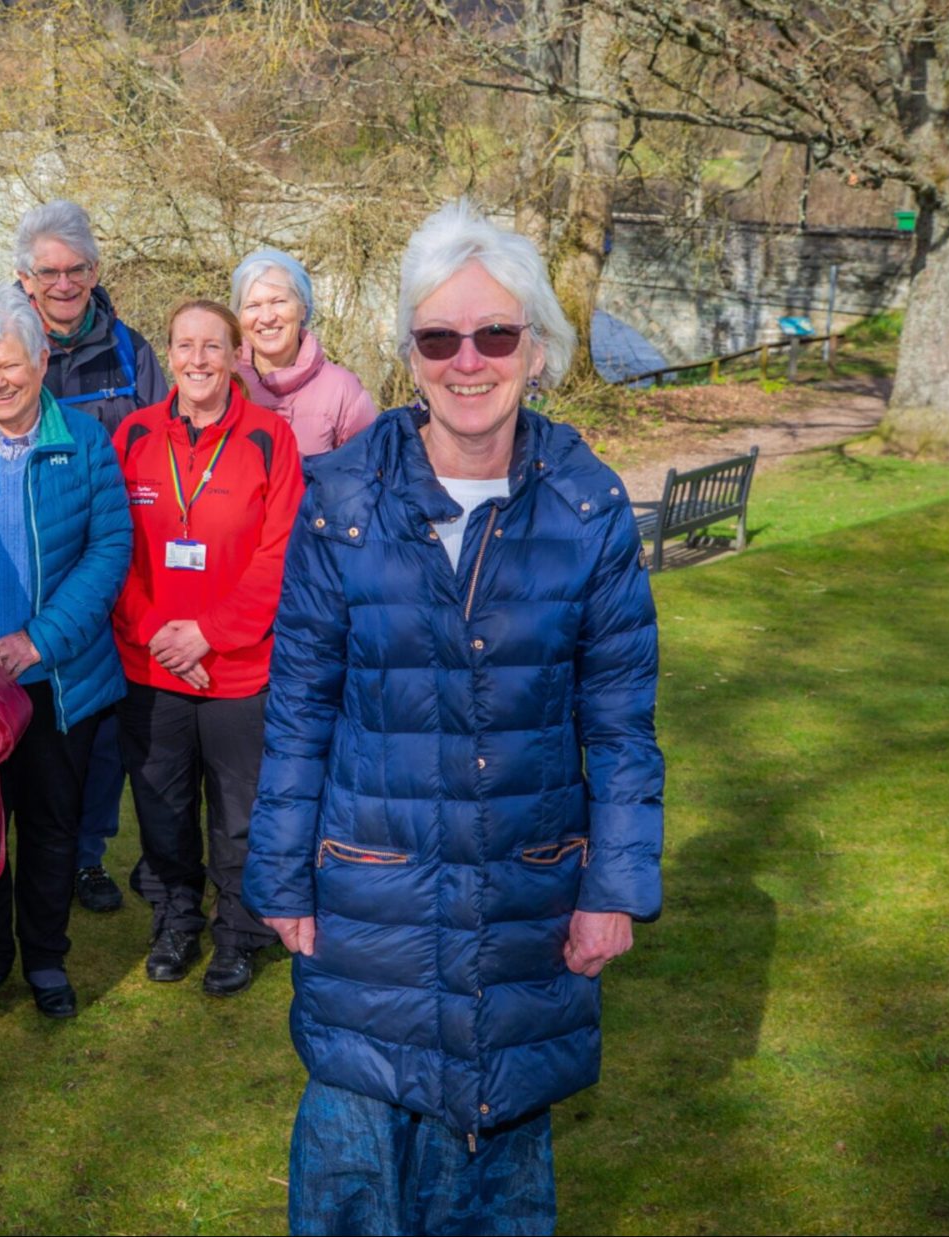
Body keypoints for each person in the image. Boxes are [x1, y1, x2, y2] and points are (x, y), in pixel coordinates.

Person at [244, 198, 664, 1236]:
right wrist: (280, 873)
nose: (465, 360)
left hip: (521, 903)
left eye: (494, 334)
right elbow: (298, 710)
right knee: (351, 1165)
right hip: (367, 897)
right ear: (408, 352)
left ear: (538, 350)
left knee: (494, 1178)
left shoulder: (587, 509)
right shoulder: (339, 501)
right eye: (438, 336)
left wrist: (613, 884)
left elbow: (618, 728)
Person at [0, 298, 132, 1020]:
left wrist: (36, 640)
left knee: (50, 825)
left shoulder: (87, 443)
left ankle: (43, 955)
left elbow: (109, 551)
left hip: (57, 678)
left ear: (42, 361)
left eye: (10, 363)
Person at [0, 199, 172, 917]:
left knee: (100, 730)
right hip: (31, 578)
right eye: (48, 271)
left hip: (118, 568)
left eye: (76, 269)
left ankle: (88, 855)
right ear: (25, 279)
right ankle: (4, 874)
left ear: (95, 271)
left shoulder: (131, 351)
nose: (62, 283)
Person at [110, 300, 304, 997]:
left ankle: (239, 932)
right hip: (152, 664)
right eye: (185, 345)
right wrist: (162, 634)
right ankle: (176, 918)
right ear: (168, 352)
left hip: (239, 669)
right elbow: (113, 550)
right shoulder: (131, 435)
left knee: (240, 814)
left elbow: (278, 555)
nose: (198, 360)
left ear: (235, 356)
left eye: (213, 346)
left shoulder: (269, 438)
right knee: (160, 807)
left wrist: (210, 634)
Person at [230, 246, 379, 458]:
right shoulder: (224, 385)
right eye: (252, 305)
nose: (267, 317)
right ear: (239, 318)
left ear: (303, 308)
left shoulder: (343, 391)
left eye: (279, 301)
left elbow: (369, 476)